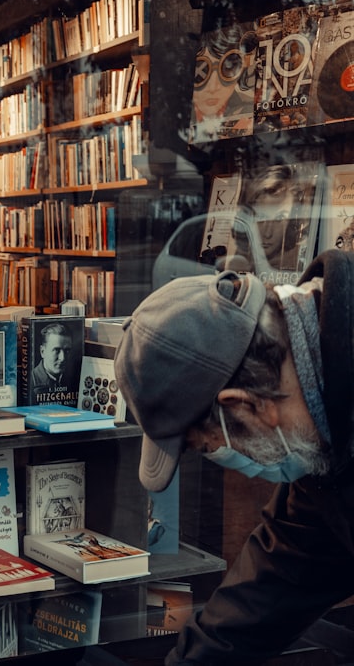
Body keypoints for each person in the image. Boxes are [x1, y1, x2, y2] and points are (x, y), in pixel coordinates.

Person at [113, 250, 354, 665]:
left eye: (204, 447)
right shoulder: (320, 437)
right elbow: (275, 582)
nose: (216, 458)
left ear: (245, 406)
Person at [239, 163, 315, 273]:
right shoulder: (237, 263)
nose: (268, 233)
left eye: (280, 218)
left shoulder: (301, 266)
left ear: (293, 221)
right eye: (261, 217)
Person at [31, 323, 74, 395]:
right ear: (42, 351)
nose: (62, 358)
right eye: (56, 350)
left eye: (67, 351)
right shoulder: (31, 381)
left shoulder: (73, 380)